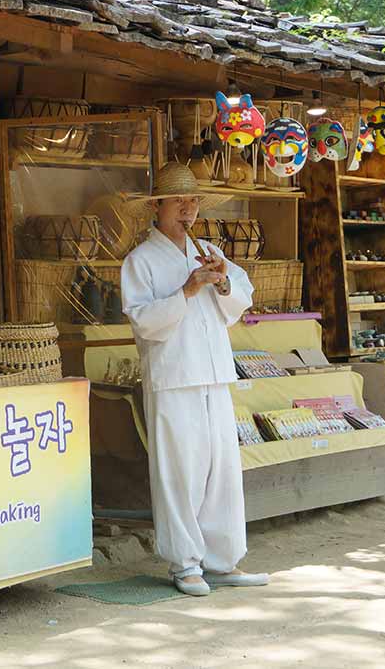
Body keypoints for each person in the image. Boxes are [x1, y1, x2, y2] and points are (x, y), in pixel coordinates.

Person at [120, 162, 269, 597]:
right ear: (159, 205)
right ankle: (184, 563)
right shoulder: (141, 260)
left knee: (222, 470)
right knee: (179, 472)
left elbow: (241, 298)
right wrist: (185, 290)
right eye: (179, 201)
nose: (188, 209)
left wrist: (222, 283)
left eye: (193, 201)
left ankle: (222, 560)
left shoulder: (208, 250)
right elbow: (144, 322)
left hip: (214, 373)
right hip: (172, 376)